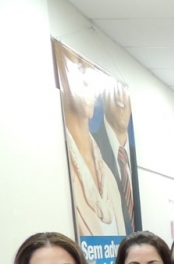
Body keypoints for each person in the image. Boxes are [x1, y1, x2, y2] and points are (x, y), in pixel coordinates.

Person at [54, 43, 125, 237]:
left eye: (89, 69)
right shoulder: (59, 173)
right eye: (77, 65)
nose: (86, 77)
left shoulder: (109, 178)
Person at [92, 80, 138, 235]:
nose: (121, 95)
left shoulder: (133, 160)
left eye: (125, 93)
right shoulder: (91, 149)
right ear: (103, 97)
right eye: (114, 91)